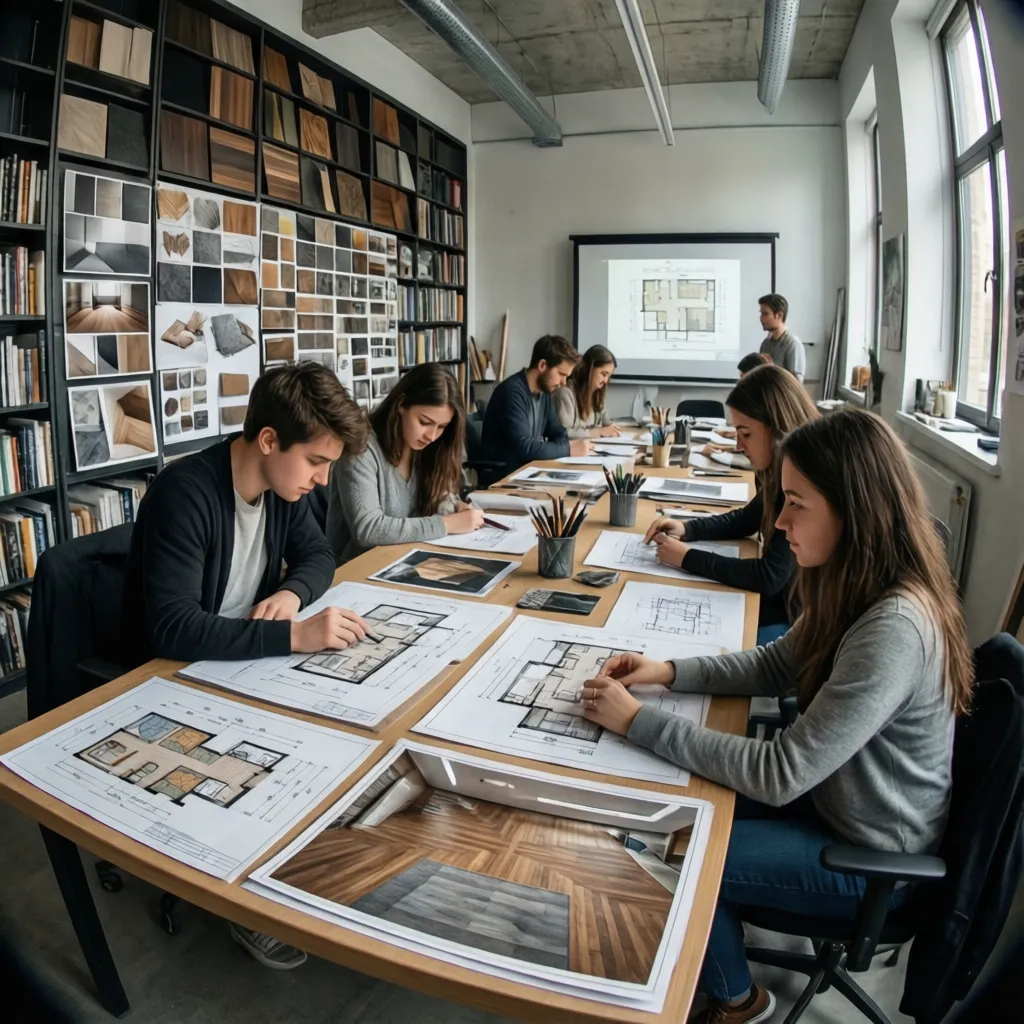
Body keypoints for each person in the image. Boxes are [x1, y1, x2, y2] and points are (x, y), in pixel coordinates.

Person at [580, 407, 970, 1024]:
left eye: (796, 503)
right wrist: (667, 671)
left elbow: (781, 773)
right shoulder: (857, 580)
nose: (780, 521)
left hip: (866, 853)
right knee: (667, 800)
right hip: (833, 800)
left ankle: (739, 1001)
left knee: (669, 847)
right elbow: (776, 664)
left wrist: (637, 721)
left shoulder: (893, 626)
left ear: (853, 509)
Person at [122, 363, 374, 971]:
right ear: (268, 441)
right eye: (316, 461)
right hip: (171, 673)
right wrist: (294, 634)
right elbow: (173, 627)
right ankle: (252, 904)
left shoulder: (283, 490)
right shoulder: (186, 493)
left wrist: (292, 593)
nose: (322, 478)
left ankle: (304, 871)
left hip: (240, 658)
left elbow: (319, 554)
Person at [644, 364, 817, 644]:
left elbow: (769, 577)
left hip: (790, 618)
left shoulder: (803, 480)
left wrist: (686, 557)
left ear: (777, 427)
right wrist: (688, 529)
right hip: (778, 602)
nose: (738, 445)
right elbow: (749, 518)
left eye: (745, 434)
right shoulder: (777, 469)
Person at [327, 362, 484, 564]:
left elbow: (436, 499)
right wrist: (447, 524)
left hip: (406, 561)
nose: (432, 435)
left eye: (442, 426)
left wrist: (454, 507)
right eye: (425, 422)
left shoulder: (429, 448)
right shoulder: (362, 448)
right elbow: (368, 529)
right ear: (401, 404)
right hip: (357, 570)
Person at [478, 334, 592, 485]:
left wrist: (561, 447)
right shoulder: (511, 392)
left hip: (528, 474)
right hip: (503, 480)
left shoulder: (543, 393)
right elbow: (525, 447)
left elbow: (559, 433)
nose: (563, 383)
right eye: (561, 374)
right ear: (542, 365)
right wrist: (568, 449)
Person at [552, 344, 621, 438]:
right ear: (589, 369)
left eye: (609, 376)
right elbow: (563, 434)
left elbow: (604, 417)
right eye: (603, 374)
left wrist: (609, 426)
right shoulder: (565, 393)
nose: (606, 381)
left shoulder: (597, 392)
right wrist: (597, 432)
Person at [757, 294, 805, 382]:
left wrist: (772, 369)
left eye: (765, 314)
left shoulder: (792, 344)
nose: (761, 318)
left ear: (779, 315)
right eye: (761, 313)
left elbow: (796, 385)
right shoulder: (765, 344)